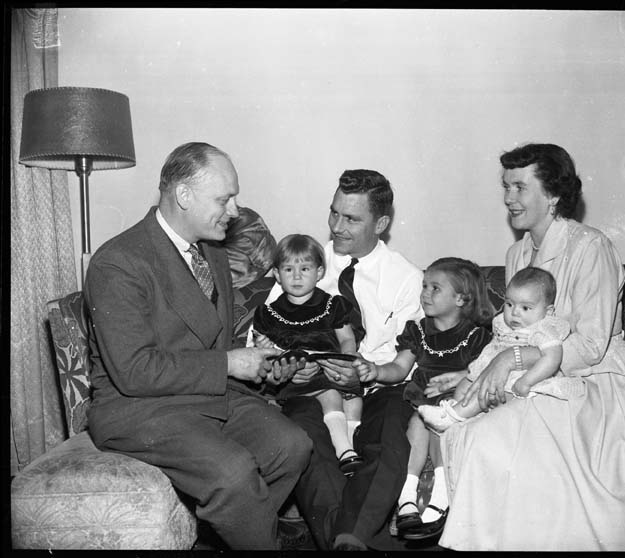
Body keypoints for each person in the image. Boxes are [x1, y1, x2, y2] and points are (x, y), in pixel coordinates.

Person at [84, 142, 313, 550]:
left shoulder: (212, 251)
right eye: (224, 199)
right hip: (140, 408)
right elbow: (134, 371)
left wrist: (262, 367)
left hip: (205, 394)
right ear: (184, 195)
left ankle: (235, 535)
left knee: (293, 446)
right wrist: (229, 364)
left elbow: (216, 340)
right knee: (233, 474)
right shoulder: (118, 262)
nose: (235, 211)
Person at [434, 143, 625, 551]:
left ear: (553, 195)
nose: (509, 197)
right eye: (506, 186)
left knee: (491, 439)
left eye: (520, 187)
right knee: (463, 431)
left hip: (593, 377)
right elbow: (512, 333)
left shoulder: (591, 247)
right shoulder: (517, 253)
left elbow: (590, 345)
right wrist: (474, 372)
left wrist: (511, 360)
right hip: (531, 375)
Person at [264, 169, 424, 550]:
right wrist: (286, 369)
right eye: (334, 213)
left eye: (351, 218)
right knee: (304, 438)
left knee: (389, 436)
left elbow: (409, 356)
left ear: (381, 224)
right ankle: (350, 540)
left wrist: (366, 376)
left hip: (380, 385)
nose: (336, 226)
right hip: (314, 385)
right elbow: (268, 334)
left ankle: (346, 538)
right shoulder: (306, 264)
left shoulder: (405, 278)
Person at [353, 257, 492, 542]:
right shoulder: (417, 330)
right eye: (424, 286)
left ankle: (441, 494)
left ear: (461, 299)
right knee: (418, 421)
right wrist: (376, 371)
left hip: (457, 402)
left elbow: (481, 372)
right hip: (423, 398)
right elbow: (399, 368)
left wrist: (462, 378)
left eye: (435, 288)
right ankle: (407, 497)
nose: (425, 293)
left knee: (437, 422)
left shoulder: (477, 336)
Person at [250, 233, 365, 475]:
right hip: (293, 377)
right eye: (288, 269)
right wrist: (266, 347)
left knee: (353, 398)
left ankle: (350, 444)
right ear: (277, 274)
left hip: (330, 367)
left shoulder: (333, 305)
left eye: (305, 269)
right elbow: (264, 354)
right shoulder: (268, 313)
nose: (297, 276)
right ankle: (344, 449)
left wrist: (346, 360)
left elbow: (347, 339)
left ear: (319, 272)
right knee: (331, 394)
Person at [419, 266, 577, 433]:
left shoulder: (543, 329)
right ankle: (457, 415)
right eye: (509, 304)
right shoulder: (503, 324)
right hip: (494, 372)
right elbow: (494, 347)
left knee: (487, 391)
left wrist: (527, 381)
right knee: (466, 385)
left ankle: (451, 417)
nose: (514, 313)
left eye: (525, 308)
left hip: (521, 380)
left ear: (548, 311)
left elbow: (552, 358)